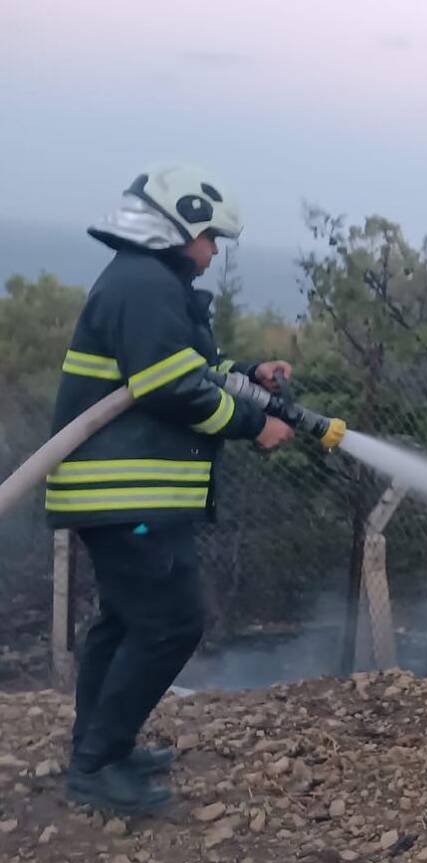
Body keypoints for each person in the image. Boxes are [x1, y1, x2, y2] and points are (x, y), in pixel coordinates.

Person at [48, 166, 296, 814]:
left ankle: (99, 750)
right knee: (171, 622)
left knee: (126, 622)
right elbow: (171, 389)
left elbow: (187, 370)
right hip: (125, 494)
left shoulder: (149, 284)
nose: (214, 251)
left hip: (122, 494)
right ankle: (97, 767)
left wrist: (247, 374)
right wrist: (254, 424)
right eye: (209, 236)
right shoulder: (144, 284)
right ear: (177, 225)